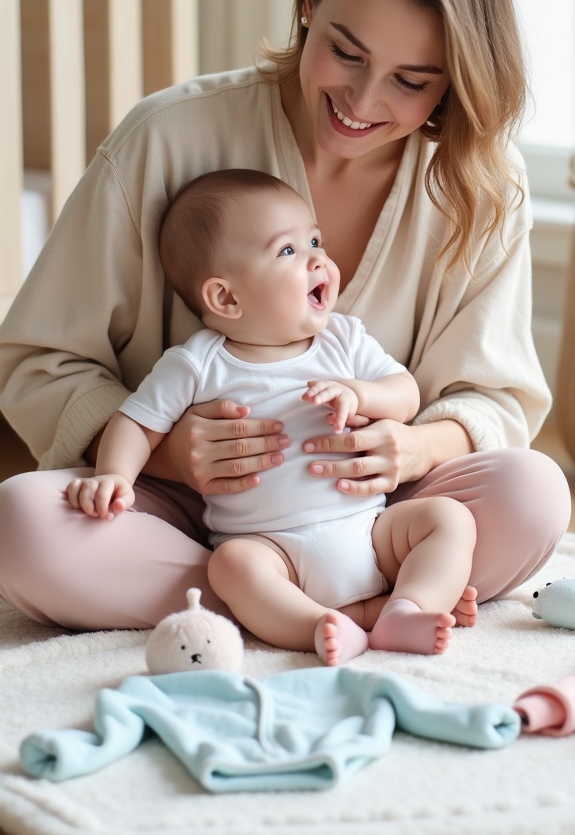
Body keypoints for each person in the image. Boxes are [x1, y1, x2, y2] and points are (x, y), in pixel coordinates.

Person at [0, 0, 571, 632]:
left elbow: (492, 398)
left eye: (411, 82)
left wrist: (410, 447)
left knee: (534, 494)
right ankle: (319, 601)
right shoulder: (166, 138)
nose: (361, 100)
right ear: (308, 4)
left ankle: (269, 607)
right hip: (177, 511)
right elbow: (41, 361)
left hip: (373, 515)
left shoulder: (483, 185)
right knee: (17, 526)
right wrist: (168, 455)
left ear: (456, 80)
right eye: (344, 52)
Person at [67, 168, 476, 664]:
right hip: (271, 550)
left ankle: (407, 609)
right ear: (226, 297)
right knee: (231, 566)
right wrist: (114, 475)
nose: (318, 259)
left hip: (369, 531)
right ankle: (319, 626)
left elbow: (405, 393)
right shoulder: (198, 363)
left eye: (315, 241)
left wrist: (362, 394)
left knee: (448, 519)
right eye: (289, 251)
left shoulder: (342, 340)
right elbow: (135, 422)